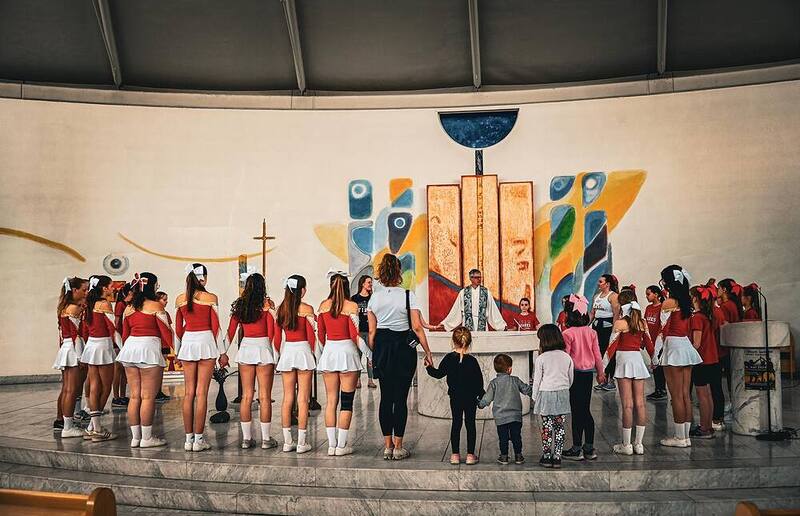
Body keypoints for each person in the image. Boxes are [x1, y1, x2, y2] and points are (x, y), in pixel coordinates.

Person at [367, 253, 433, 460]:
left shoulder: (374, 298)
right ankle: (398, 447)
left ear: (381, 273)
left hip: (382, 346)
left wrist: (375, 353)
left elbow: (371, 332)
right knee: (400, 398)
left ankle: (387, 446)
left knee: (385, 397)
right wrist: (428, 352)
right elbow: (417, 327)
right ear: (398, 272)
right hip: (403, 348)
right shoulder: (407, 295)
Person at [175, 263, 229, 452]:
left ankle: (188, 440)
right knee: (201, 393)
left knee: (188, 393)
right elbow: (216, 327)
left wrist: (177, 351)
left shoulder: (180, 299)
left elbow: (178, 329)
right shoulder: (211, 298)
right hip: (205, 342)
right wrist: (223, 352)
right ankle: (198, 440)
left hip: (188, 343)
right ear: (203, 278)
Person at [116, 272, 172, 448]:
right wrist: (178, 351)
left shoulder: (129, 308)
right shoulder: (156, 306)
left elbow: (124, 334)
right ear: (152, 287)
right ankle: (147, 438)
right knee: (148, 397)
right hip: (148, 349)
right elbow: (166, 333)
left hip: (130, 349)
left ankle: (135, 438)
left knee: (134, 396)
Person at [227, 271, 278, 450]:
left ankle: (246, 439)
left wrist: (222, 352)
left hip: (246, 349)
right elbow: (273, 332)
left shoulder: (240, 306)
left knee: (246, 396)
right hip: (263, 347)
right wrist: (276, 353)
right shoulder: (267, 305)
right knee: (265, 397)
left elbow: (230, 332)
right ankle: (266, 439)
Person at [317, 273, 362, 456]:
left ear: (331, 286)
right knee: (347, 402)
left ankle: (331, 445)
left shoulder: (323, 306)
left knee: (330, 401)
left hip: (330, 352)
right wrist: (368, 353)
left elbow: (320, 335)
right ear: (347, 287)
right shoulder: (352, 306)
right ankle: (341, 446)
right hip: (347, 353)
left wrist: (324, 352)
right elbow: (354, 334)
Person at [658, 265, 702, 448]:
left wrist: (655, 354)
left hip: (673, 346)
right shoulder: (687, 301)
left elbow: (662, 330)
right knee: (685, 394)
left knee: (675, 395)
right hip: (685, 344)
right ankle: (685, 436)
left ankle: (679, 437)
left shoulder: (669, 302)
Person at [426, 327, 484, 465]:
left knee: (456, 423)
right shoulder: (472, 361)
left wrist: (429, 367)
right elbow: (479, 383)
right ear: (469, 342)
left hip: (455, 397)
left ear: (453, 341)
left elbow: (438, 374)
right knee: (470, 424)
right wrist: (482, 397)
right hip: (470, 398)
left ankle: (455, 455)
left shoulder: (449, 358)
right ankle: (470, 455)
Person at [605, 291, 653, 455]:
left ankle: (626, 445)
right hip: (637, 360)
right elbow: (649, 343)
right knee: (640, 403)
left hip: (624, 361)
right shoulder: (642, 322)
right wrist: (654, 360)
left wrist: (602, 368)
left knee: (627, 404)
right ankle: (639, 444)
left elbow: (611, 347)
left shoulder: (620, 323)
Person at [274, 274, 316, 454]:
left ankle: (287, 442)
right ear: (303, 290)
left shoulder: (281, 309)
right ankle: (302, 443)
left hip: (288, 352)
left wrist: (277, 356)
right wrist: (315, 355)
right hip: (303, 351)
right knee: (303, 399)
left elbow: (277, 338)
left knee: (287, 398)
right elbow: (312, 337)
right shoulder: (307, 309)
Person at [561, 294, 604, 461]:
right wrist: (600, 373)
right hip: (587, 375)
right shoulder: (591, 332)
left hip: (574, 375)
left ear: (569, 315)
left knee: (577, 411)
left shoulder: (567, 333)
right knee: (585, 409)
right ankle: (589, 448)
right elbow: (597, 355)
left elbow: (566, 358)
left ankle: (577, 448)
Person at [80, 275, 119, 442]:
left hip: (91, 345)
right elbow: (112, 328)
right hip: (103, 345)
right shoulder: (104, 304)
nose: (113, 288)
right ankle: (96, 428)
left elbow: (85, 329)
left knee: (95, 386)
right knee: (106, 386)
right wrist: (122, 348)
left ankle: (92, 427)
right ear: (104, 288)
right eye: (111, 286)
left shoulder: (89, 304)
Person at [478, 353, 532, 465]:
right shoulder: (515, 380)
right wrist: (536, 393)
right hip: (515, 416)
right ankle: (518, 456)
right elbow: (526, 390)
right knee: (516, 436)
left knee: (503, 437)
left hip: (501, 417)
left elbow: (487, 399)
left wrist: (480, 404)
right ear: (509, 369)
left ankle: (504, 457)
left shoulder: (494, 383)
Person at [532, 325, 574, 468]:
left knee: (547, 427)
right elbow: (570, 378)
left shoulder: (541, 358)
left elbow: (537, 380)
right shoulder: (566, 357)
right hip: (562, 393)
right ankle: (557, 456)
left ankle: (546, 456)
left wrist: (534, 397)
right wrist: (564, 388)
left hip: (546, 394)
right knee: (560, 426)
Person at [53, 277, 89, 437]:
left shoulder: (65, 307)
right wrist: (80, 357)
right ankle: (67, 427)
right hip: (73, 349)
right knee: (71, 390)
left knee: (67, 389)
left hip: (67, 348)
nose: (86, 293)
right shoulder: (73, 308)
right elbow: (76, 335)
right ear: (74, 290)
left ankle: (64, 422)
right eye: (84, 290)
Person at [688, 285, 720, 439]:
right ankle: (708, 426)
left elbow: (696, 343)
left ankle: (704, 428)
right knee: (708, 395)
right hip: (712, 359)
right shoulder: (708, 316)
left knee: (702, 396)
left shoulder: (697, 318)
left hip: (701, 361)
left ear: (695, 298)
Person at [438, 268, 507, 331]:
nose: (479, 279)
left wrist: (501, 326)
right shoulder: (463, 292)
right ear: (471, 278)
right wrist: (446, 324)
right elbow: (456, 311)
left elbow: (493, 310)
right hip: (467, 324)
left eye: (480, 277)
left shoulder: (486, 292)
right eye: (476, 277)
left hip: (482, 324)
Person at [592, 274, 620, 391]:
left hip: (608, 327)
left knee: (609, 353)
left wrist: (614, 331)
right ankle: (603, 379)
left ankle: (611, 380)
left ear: (607, 284)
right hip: (597, 326)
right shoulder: (596, 296)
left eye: (600, 282)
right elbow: (593, 313)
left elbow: (616, 314)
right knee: (599, 353)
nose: (598, 284)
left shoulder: (613, 296)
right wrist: (584, 326)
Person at [350, 274, 376, 388]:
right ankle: (358, 380)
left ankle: (370, 380)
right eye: (368, 282)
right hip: (358, 332)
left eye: (371, 282)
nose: (370, 284)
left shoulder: (373, 298)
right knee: (358, 356)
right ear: (362, 283)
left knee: (370, 356)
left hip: (370, 331)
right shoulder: (354, 299)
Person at [644, 285, 667, 401]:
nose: (646, 296)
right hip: (650, 341)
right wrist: (644, 340)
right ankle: (658, 388)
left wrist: (658, 342)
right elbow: (645, 324)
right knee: (654, 365)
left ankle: (661, 389)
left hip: (659, 342)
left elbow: (662, 326)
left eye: (648, 294)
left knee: (659, 366)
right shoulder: (648, 308)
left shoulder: (662, 307)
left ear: (656, 294)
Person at [112, 284, 132, 408]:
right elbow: (117, 324)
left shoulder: (129, 305)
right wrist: (119, 342)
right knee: (118, 369)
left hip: (126, 339)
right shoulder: (120, 304)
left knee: (124, 370)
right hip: (119, 340)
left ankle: (123, 395)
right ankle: (116, 396)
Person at [154, 291, 171, 403]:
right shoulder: (154, 312)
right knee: (156, 370)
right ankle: (155, 391)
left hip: (165, 344)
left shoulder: (166, 313)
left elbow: (169, 329)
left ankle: (158, 391)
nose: (166, 302)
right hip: (157, 343)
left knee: (161, 370)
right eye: (164, 300)